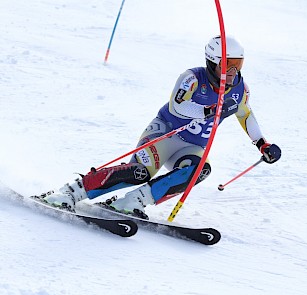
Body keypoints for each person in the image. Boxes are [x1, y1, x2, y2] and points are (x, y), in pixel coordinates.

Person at [39, 35, 281, 219]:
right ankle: (71, 192)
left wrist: (262, 144)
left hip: (193, 146)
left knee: (200, 170)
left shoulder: (240, 89)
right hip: (164, 134)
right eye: (227, 65)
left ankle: (133, 201)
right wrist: (209, 111)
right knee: (139, 172)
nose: (232, 72)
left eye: (237, 65)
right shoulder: (192, 78)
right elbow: (178, 107)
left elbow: (246, 115)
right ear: (211, 62)